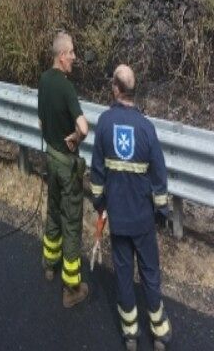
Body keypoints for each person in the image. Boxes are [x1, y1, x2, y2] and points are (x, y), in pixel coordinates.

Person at [90, 64, 172, 351]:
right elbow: (159, 177)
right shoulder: (146, 128)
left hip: (120, 220)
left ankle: (130, 334)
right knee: (150, 273)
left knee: (123, 275)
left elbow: (97, 174)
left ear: (115, 88)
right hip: (142, 220)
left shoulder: (104, 124)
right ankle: (160, 333)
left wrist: (100, 205)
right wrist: (161, 211)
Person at [38, 31, 90, 308]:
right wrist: (76, 138)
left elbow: (41, 122)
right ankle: (71, 287)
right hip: (67, 166)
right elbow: (83, 127)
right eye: (71, 53)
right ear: (61, 55)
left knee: (53, 211)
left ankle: (49, 263)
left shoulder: (44, 80)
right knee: (71, 223)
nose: (74, 57)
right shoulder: (67, 88)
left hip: (50, 158)